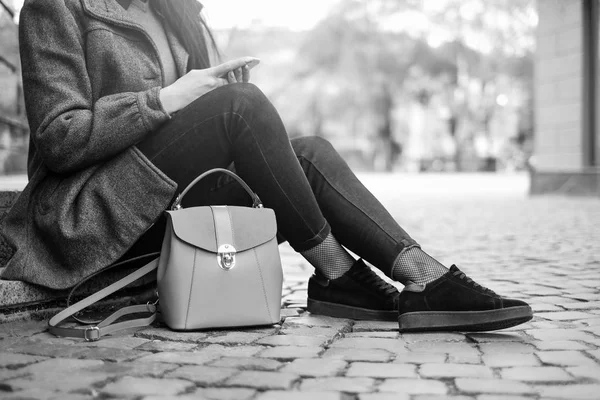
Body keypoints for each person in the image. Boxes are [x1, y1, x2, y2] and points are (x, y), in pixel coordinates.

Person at [0, 0, 532, 332]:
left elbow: (190, 125)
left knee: (310, 151)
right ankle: (338, 271)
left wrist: (205, 98)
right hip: (93, 213)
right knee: (243, 106)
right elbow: (58, 138)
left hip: (169, 205)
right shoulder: (57, 8)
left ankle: (421, 276)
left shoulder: (176, 13)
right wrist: (165, 100)